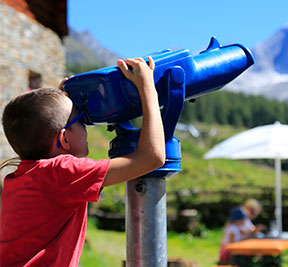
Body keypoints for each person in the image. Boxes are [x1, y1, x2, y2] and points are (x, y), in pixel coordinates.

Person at [0, 57, 165, 266]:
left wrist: (62, 105)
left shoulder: (21, 177)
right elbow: (153, 157)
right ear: (64, 139)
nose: (87, 127)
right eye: (81, 120)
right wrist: (148, 88)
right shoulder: (62, 172)